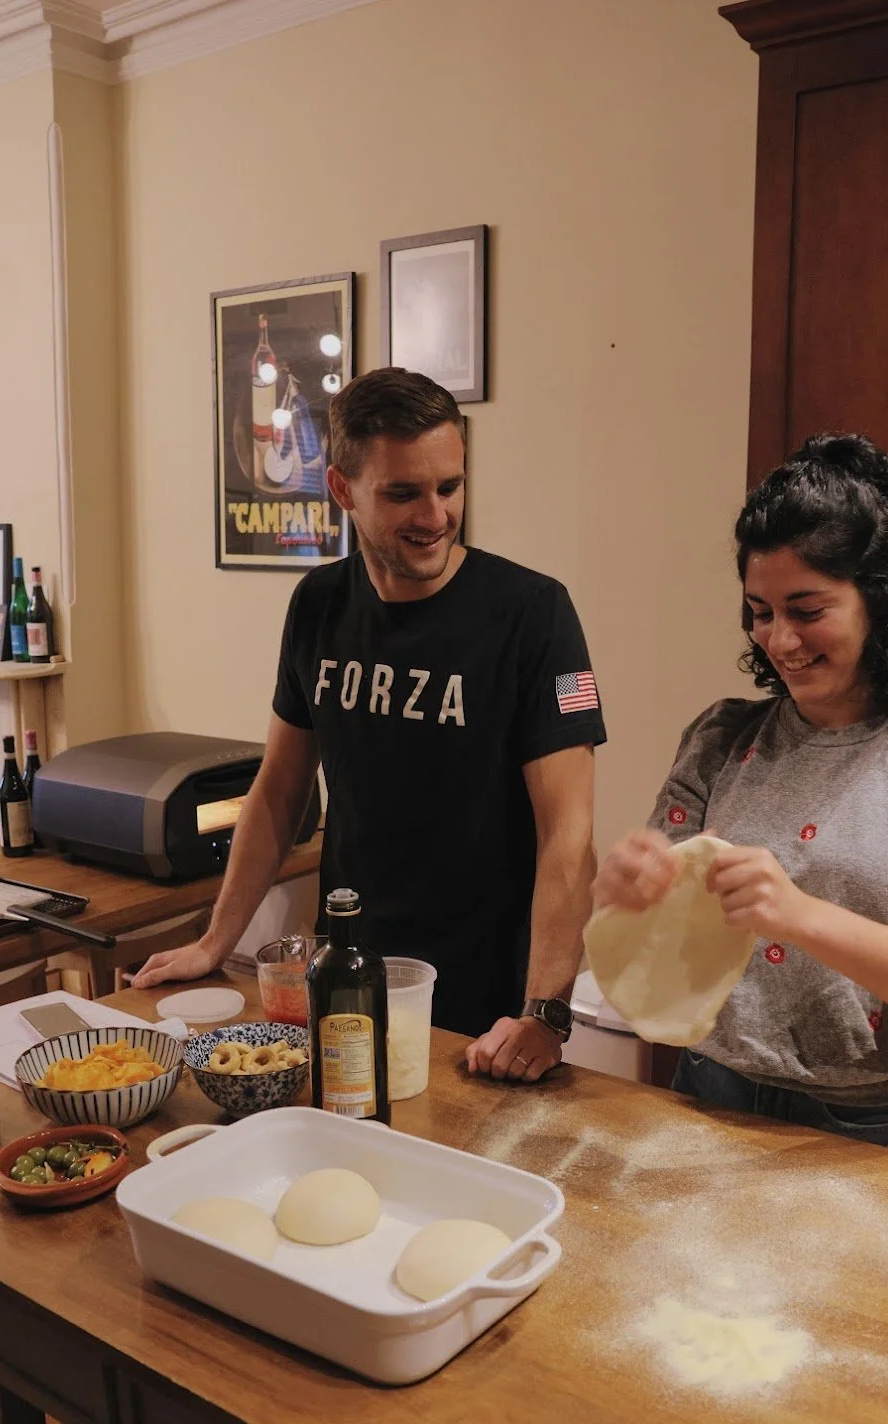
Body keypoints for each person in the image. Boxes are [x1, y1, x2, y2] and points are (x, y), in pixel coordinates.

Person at [135, 367, 606, 1083]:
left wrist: (546, 1011)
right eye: (404, 493)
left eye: (450, 487)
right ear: (342, 490)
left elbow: (567, 837)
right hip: (347, 976)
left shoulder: (533, 615)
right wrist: (213, 940)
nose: (436, 515)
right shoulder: (318, 604)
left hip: (482, 1004)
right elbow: (278, 791)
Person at [594, 433, 888, 1160]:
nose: (779, 640)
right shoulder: (724, 737)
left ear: (881, 601)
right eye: (760, 611)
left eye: (806, 608)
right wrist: (626, 886)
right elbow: (654, 925)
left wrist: (795, 912)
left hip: (876, 1128)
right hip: (710, 1094)